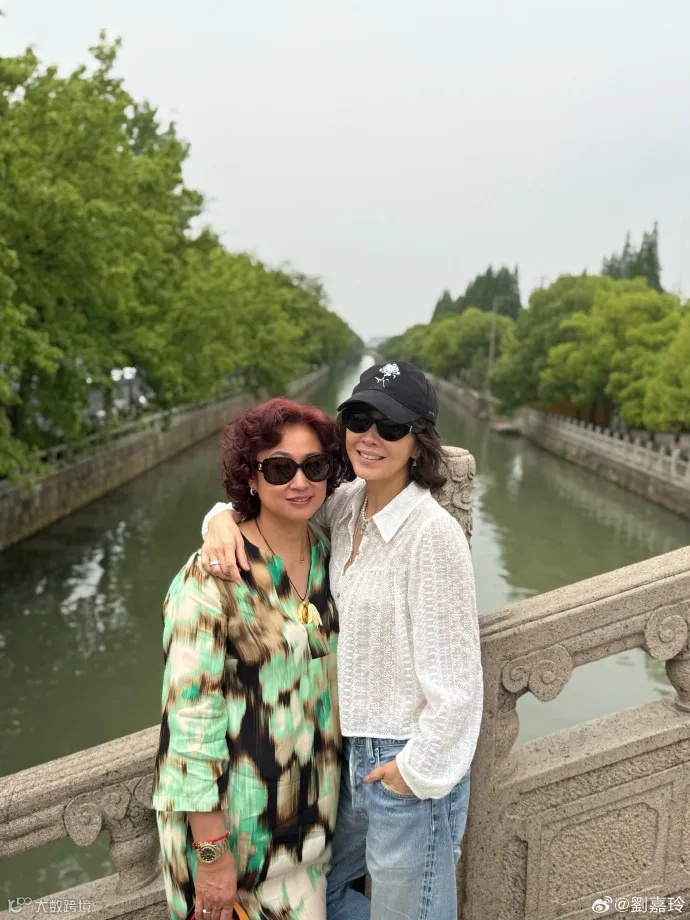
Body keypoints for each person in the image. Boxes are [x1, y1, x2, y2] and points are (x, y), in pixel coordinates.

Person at [201, 361, 484, 920]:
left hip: (403, 760)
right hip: (344, 756)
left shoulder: (432, 535)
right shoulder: (348, 503)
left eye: (391, 426)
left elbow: (458, 682)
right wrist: (220, 520)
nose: (370, 437)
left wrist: (414, 773)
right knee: (324, 897)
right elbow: (277, 501)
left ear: (418, 441)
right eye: (359, 420)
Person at [151, 397, 343, 920]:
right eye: (279, 468)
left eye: (315, 466)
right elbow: (189, 721)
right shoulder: (211, 578)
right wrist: (212, 854)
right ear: (251, 478)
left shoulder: (330, 554)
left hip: (311, 829)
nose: (300, 481)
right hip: (238, 840)